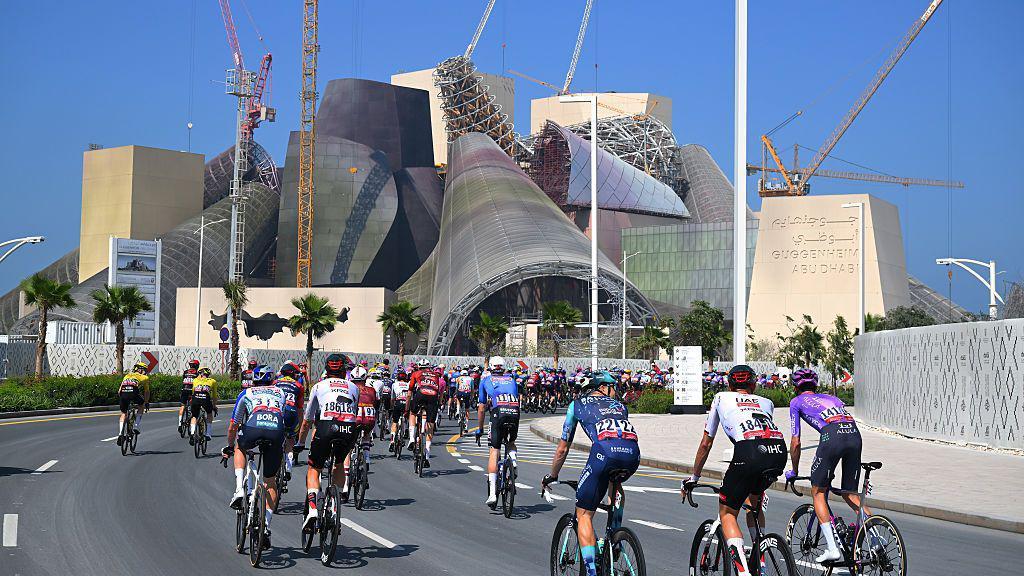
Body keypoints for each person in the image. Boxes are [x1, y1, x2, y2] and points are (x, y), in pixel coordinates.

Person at [682, 364, 786, 576]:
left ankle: (744, 572)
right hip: (777, 451)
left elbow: (705, 443)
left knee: (728, 513)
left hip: (748, 452)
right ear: (754, 384)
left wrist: (694, 477)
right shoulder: (767, 402)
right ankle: (761, 556)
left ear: (729, 385)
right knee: (753, 504)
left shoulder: (721, 397)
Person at [542, 371, 639, 576]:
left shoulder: (576, 405)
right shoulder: (621, 407)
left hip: (604, 454)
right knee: (615, 484)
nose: (615, 391)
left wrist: (552, 475)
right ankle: (615, 536)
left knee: (584, 513)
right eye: (613, 387)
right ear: (602, 387)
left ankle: (592, 572)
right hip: (632, 455)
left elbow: (562, 448)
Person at [786, 368, 867, 563]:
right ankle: (875, 540)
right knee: (850, 494)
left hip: (832, 437)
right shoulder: (833, 398)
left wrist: (794, 470)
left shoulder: (796, 402)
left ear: (796, 386)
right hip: (855, 434)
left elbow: (795, 442)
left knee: (819, 492)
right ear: (815, 385)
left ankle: (832, 548)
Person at [296, 353, 360, 530]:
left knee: (314, 468)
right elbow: (353, 413)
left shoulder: (318, 386)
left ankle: (313, 509)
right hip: (348, 429)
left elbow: (308, 419)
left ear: (326, 368)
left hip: (325, 427)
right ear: (343, 370)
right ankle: (335, 504)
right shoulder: (354, 387)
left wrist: (300, 443)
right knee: (339, 463)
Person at [223, 375, 287, 549]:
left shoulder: (247, 392)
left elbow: (233, 425)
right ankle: (265, 525)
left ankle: (239, 491)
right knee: (270, 481)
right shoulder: (280, 392)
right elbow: (287, 418)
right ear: (272, 382)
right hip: (276, 430)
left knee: (239, 446)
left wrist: (229, 446)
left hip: (253, 428)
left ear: (254, 382)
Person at [474, 356, 519, 507]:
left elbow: (481, 408)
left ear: (491, 368)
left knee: (494, 450)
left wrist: (479, 429)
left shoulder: (486, 380)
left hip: (498, 412)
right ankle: (513, 459)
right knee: (511, 442)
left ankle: (492, 493)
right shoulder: (512, 379)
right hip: (514, 411)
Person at [343, 366, 377, 501]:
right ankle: (367, 456)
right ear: (365, 378)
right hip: (369, 418)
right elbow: (376, 405)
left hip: (355, 419)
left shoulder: (349, 388)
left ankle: (345, 484)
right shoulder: (372, 390)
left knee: (348, 449)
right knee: (367, 434)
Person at [275, 361, 305, 482]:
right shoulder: (298, 386)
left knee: (275, 439)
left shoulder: (275, 383)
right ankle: (288, 467)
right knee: (290, 440)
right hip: (291, 414)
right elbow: (299, 409)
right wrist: (300, 425)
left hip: (277, 414)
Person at [407, 361, 442, 467]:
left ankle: (412, 439)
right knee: (430, 423)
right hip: (433, 396)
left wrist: (407, 408)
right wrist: (439, 404)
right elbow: (438, 390)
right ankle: (427, 456)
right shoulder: (435, 375)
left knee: (412, 414)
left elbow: (410, 391)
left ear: (419, 367)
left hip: (421, 394)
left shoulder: (416, 373)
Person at [117, 361, 151, 445]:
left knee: (123, 413)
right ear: (140, 370)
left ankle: (120, 434)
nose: (145, 372)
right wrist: (146, 402)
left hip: (123, 393)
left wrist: (123, 399)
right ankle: (136, 425)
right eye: (145, 370)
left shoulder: (127, 376)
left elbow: (119, 391)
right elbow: (147, 392)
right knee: (141, 404)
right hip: (133, 392)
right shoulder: (144, 377)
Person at [189, 367, 218, 444]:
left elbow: (193, 392)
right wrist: (214, 406)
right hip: (206, 400)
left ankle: (192, 433)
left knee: (194, 416)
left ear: (200, 374)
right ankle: (208, 434)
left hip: (196, 399)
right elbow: (214, 396)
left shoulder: (195, 380)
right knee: (209, 413)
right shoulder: (213, 381)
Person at [389, 370, 410, 453]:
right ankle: (405, 430)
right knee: (407, 418)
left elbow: (392, 398)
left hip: (398, 402)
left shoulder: (394, 384)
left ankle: (392, 440)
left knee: (394, 422)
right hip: (406, 403)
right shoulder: (408, 384)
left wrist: (391, 407)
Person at [178, 359, 200, 431]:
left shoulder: (185, 372)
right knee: (194, 406)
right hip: (192, 391)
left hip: (184, 390)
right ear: (197, 366)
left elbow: (183, 381)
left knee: (182, 406)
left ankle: (180, 423)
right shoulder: (197, 373)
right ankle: (192, 418)